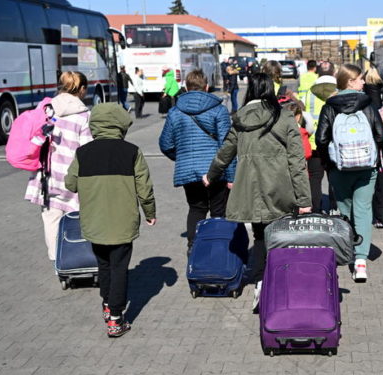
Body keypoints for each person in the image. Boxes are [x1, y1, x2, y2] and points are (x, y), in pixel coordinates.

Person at [203, 73, 311, 310]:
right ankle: (279, 284)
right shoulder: (283, 117)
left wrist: (210, 176)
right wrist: (304, 199)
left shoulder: (239, 120)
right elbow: (296, 160)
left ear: (249, 90)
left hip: (250, 187)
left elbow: (225, 153)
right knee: (281, 235)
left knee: (260, 236)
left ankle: (260, 283)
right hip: (280, 187)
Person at [65, 103, 156, 338]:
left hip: (94, 222)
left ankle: (107, 304)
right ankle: (116, 318)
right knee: (119, 267)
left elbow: (70, 184)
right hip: (123, 221)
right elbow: (144, 188)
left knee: (103, 264)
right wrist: (150, 212)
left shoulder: (83, 153)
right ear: (121, 124)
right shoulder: (132, 151)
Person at [315, 64, 383, 282]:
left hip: (340, 167)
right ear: (350, 82)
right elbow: (381, 135)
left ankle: (346, 251)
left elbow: (321, 139)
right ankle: (361, 261)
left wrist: (331, 160)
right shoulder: (368, 105)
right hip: (367, 167)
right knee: (363, 210)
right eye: (360, 79)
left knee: (345, 210)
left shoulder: (330, 107)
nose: (363, 82)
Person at [159, 69, 236, 253]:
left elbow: (165, 144)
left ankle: (193, 249)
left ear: (185, 87)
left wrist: (182, 158)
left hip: (189, 172)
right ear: (207, 86)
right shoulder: (219, 110)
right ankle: (219, 251)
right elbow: (228, 145)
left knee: (196, 209)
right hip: (216, 171)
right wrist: (232, 176)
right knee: (218, 212)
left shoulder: (175, 111)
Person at [24, 71, 93, 261]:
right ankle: (77, 259)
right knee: (78, 217)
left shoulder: (46, 110)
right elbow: (87, 149)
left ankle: (57, 261)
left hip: (47, 176)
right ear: (81, 89)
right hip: (73, 175)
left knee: (51, 218)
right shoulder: (84, 115)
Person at [305, 72, 339, 214]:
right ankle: (334, 207)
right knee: (334, 178)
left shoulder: (309, 93)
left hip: (313, 144)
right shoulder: (337, 93)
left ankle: (316, 208)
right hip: (332, 143)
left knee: (314, 178)